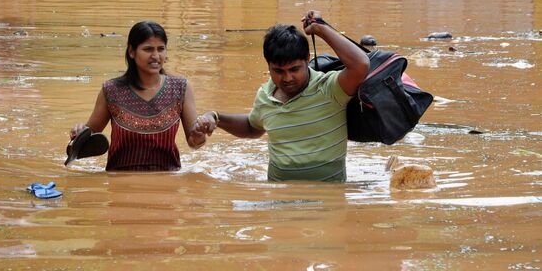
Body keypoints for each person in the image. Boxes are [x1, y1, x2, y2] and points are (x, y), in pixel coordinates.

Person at [194, 11, 369, 181]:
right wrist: (215, 117)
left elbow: (361, 65)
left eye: (294, 69)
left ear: (308, 59)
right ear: (268, 66)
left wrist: (321, 29)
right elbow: (251, 127)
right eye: (278, 71)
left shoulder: (330, 88)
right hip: (278, 198)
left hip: (328, 200)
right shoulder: (265, 95)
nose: (287, 78)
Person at [70, 20, 208, 171]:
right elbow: (90, 138)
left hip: (167, 181)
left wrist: (199, 136)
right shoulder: (111, 90)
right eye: (148, 49)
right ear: (131, 52)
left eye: (161, 49)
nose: (156, 56)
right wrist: (79, 133)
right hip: (120, 181)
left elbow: (194, 142)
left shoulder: (181, 88)